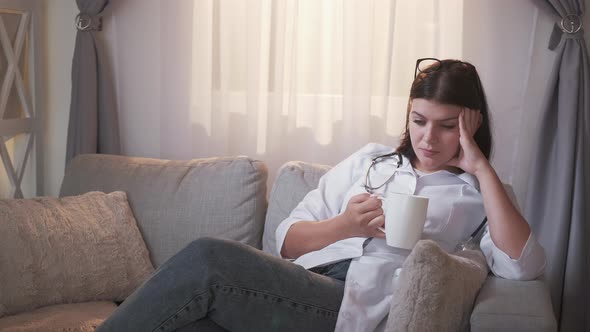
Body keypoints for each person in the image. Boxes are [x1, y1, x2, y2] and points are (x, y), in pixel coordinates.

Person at [97, 59, 546, 332]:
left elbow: (522, 265)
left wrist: (481, 167)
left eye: (447, 126)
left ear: (471, 124)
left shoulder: (477, 194)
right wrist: (344, 226)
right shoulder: (372, 161)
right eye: (419, 120)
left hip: (350, 301)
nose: (427, 138)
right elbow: (285, 240)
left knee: (207, 260)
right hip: (303, 283)